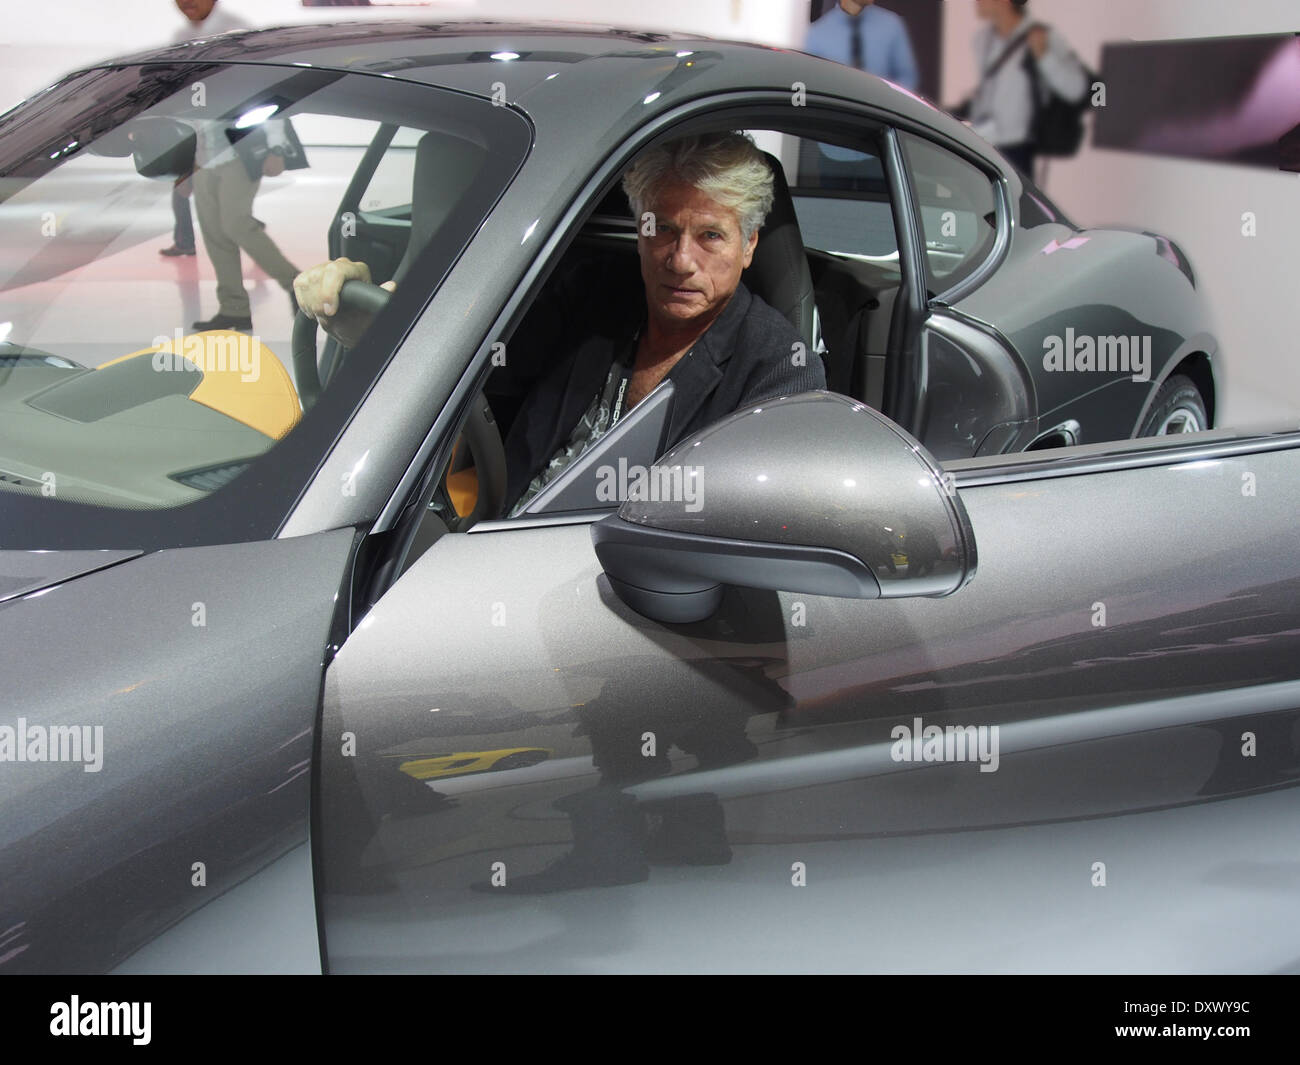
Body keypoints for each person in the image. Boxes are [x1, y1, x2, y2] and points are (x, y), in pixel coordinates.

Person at [295, 132, 827, 518]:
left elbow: (759, 535)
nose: (680, 260)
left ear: (750, 244)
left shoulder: (780, 368)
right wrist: (385, 329)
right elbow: (476, 400)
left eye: (710, 236)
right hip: (500, 534)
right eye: (661, 229)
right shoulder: (589, 296)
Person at [158, 0, 251, 258]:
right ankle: (186, 241)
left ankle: (248, 232)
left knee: (227, 199)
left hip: (228, 134)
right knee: (183, 191)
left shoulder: (236, 31)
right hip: (195, 131)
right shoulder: (181, 37)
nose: (186, 2)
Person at [964, 0, 1087, 176]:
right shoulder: (981, 40)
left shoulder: (1042, 35)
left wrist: (1044, 56)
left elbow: (1076, 88)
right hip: (982, 143)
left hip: (1016, 152)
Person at [803, 0, 919, 91]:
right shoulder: (817, 34)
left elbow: (907, 78)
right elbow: (812, 85)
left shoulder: (892, 25)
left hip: (883, 115)